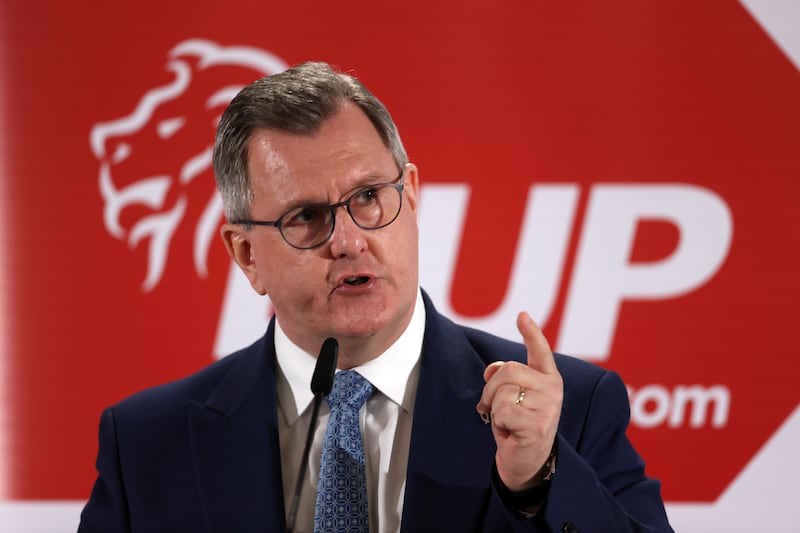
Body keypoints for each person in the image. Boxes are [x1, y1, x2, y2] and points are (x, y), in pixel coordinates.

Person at [79, 61, 673, 533]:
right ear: (247, 255)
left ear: (410, 195)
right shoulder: (147, 444)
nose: (348, 241)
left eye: (368, 197)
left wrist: (538, 483)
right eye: (306, 216)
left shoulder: (568, 413)